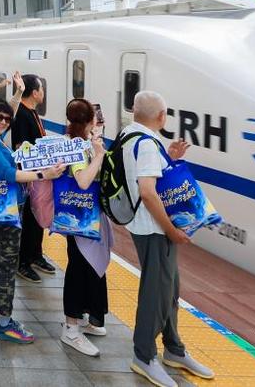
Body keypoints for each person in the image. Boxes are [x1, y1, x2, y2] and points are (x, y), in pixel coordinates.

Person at [125, 91, 214, 387]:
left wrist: (171, 158)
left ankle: (174, 348)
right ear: (162, 117)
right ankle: (144, 355)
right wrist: (171, 229)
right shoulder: (148, 144)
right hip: (153, 229)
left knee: (170, 287)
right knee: (157, 293)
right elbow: (149, 192)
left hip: (145, 226)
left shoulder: (130, 135)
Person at [0, 100, 64, 344]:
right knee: (9, 264)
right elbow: (8, 174)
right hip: (5, 209)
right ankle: (4, 324)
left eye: (7, 119)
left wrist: (17, 94)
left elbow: (7, 157)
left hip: (2, 207)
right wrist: (43, 174)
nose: (3, 122)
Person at [59, 98, 110, 357]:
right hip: (80, 218)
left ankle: (87, 319)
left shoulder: (80, 141)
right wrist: (99, 155)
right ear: (89, 121)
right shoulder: (77, 146)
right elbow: (82, 180)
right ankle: (71, 329)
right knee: (79, 268)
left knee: (89, 266)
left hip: (86, 217)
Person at [12, 74, 53, 282]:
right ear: (35, 93)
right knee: (29, 218)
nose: (43, 93)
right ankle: (23, 262)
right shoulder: (21, 114)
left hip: (39, 175)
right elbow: (20, 148)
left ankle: (35, 254)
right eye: (41, 89)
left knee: (37, 217)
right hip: (29, 176)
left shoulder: (33, 113)